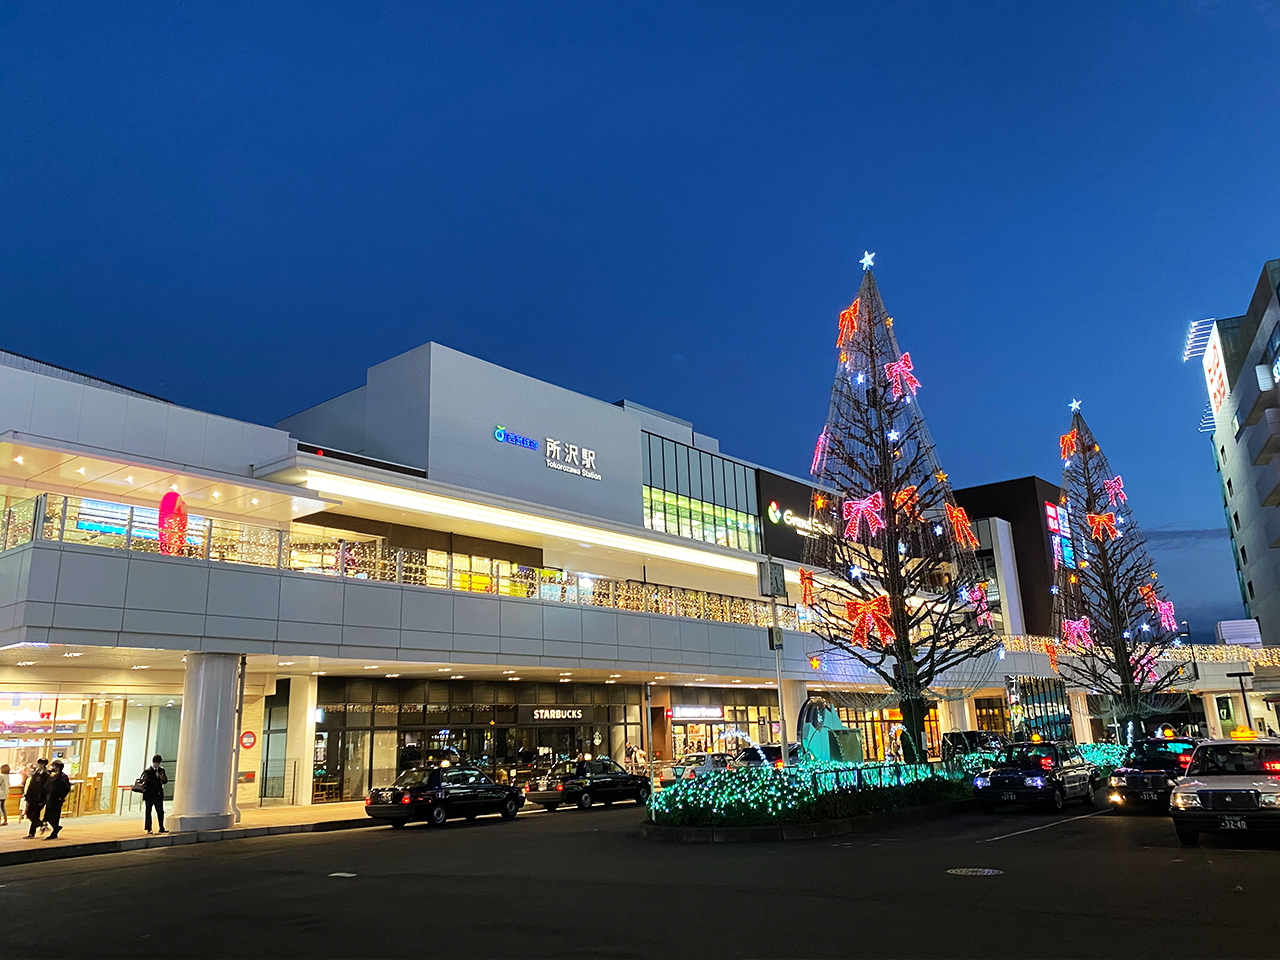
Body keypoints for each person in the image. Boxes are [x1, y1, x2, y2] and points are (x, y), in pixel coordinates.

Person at [42, 760, 70, 840]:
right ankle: (56, 828)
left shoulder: (62, 777)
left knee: (54, 815)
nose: (52, 767)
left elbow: (67, 788)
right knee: (47, 816)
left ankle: (55, 830)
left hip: (57, 798)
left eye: (54, 766)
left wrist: (61, 797)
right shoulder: (52, 775)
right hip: (50, 797)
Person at [141, 755, 168, 834]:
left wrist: (162, 778)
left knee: (160, 811)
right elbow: (147, 781)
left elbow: (165, 781)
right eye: (156, 763)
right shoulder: (148, 771)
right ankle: (149, 828)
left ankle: (161, 827)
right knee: (148, 812)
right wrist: (157, 780)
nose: (157, 764)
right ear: (153, 762)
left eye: (158, 763)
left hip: (158, 794)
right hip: (149, 794)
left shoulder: (162, 770)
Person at [23, 758, 49, 839]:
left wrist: (42, 799)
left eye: (40, 764)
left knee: (35, 814)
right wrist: (27, 795)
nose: (39, 765)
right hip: (32, 797)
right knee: (29, 814)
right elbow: (31, 785)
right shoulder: (36, 773)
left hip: (40, 798)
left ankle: (31, 833)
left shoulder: (46, 775)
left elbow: (46, 788)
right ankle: (42, 824)